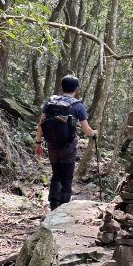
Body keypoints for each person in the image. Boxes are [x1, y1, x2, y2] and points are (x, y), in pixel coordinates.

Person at [35, 75, 98, 210]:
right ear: (76, 89)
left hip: (52, 145)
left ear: (62, 86)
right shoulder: (77, 105)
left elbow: (40, 124)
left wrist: (38, 143)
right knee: (67, 177)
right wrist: (94, 133)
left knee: (56, 174)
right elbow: (87, 131)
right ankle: (63, 209)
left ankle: (53, 206)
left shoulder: (50, 102)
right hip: (68, 146)